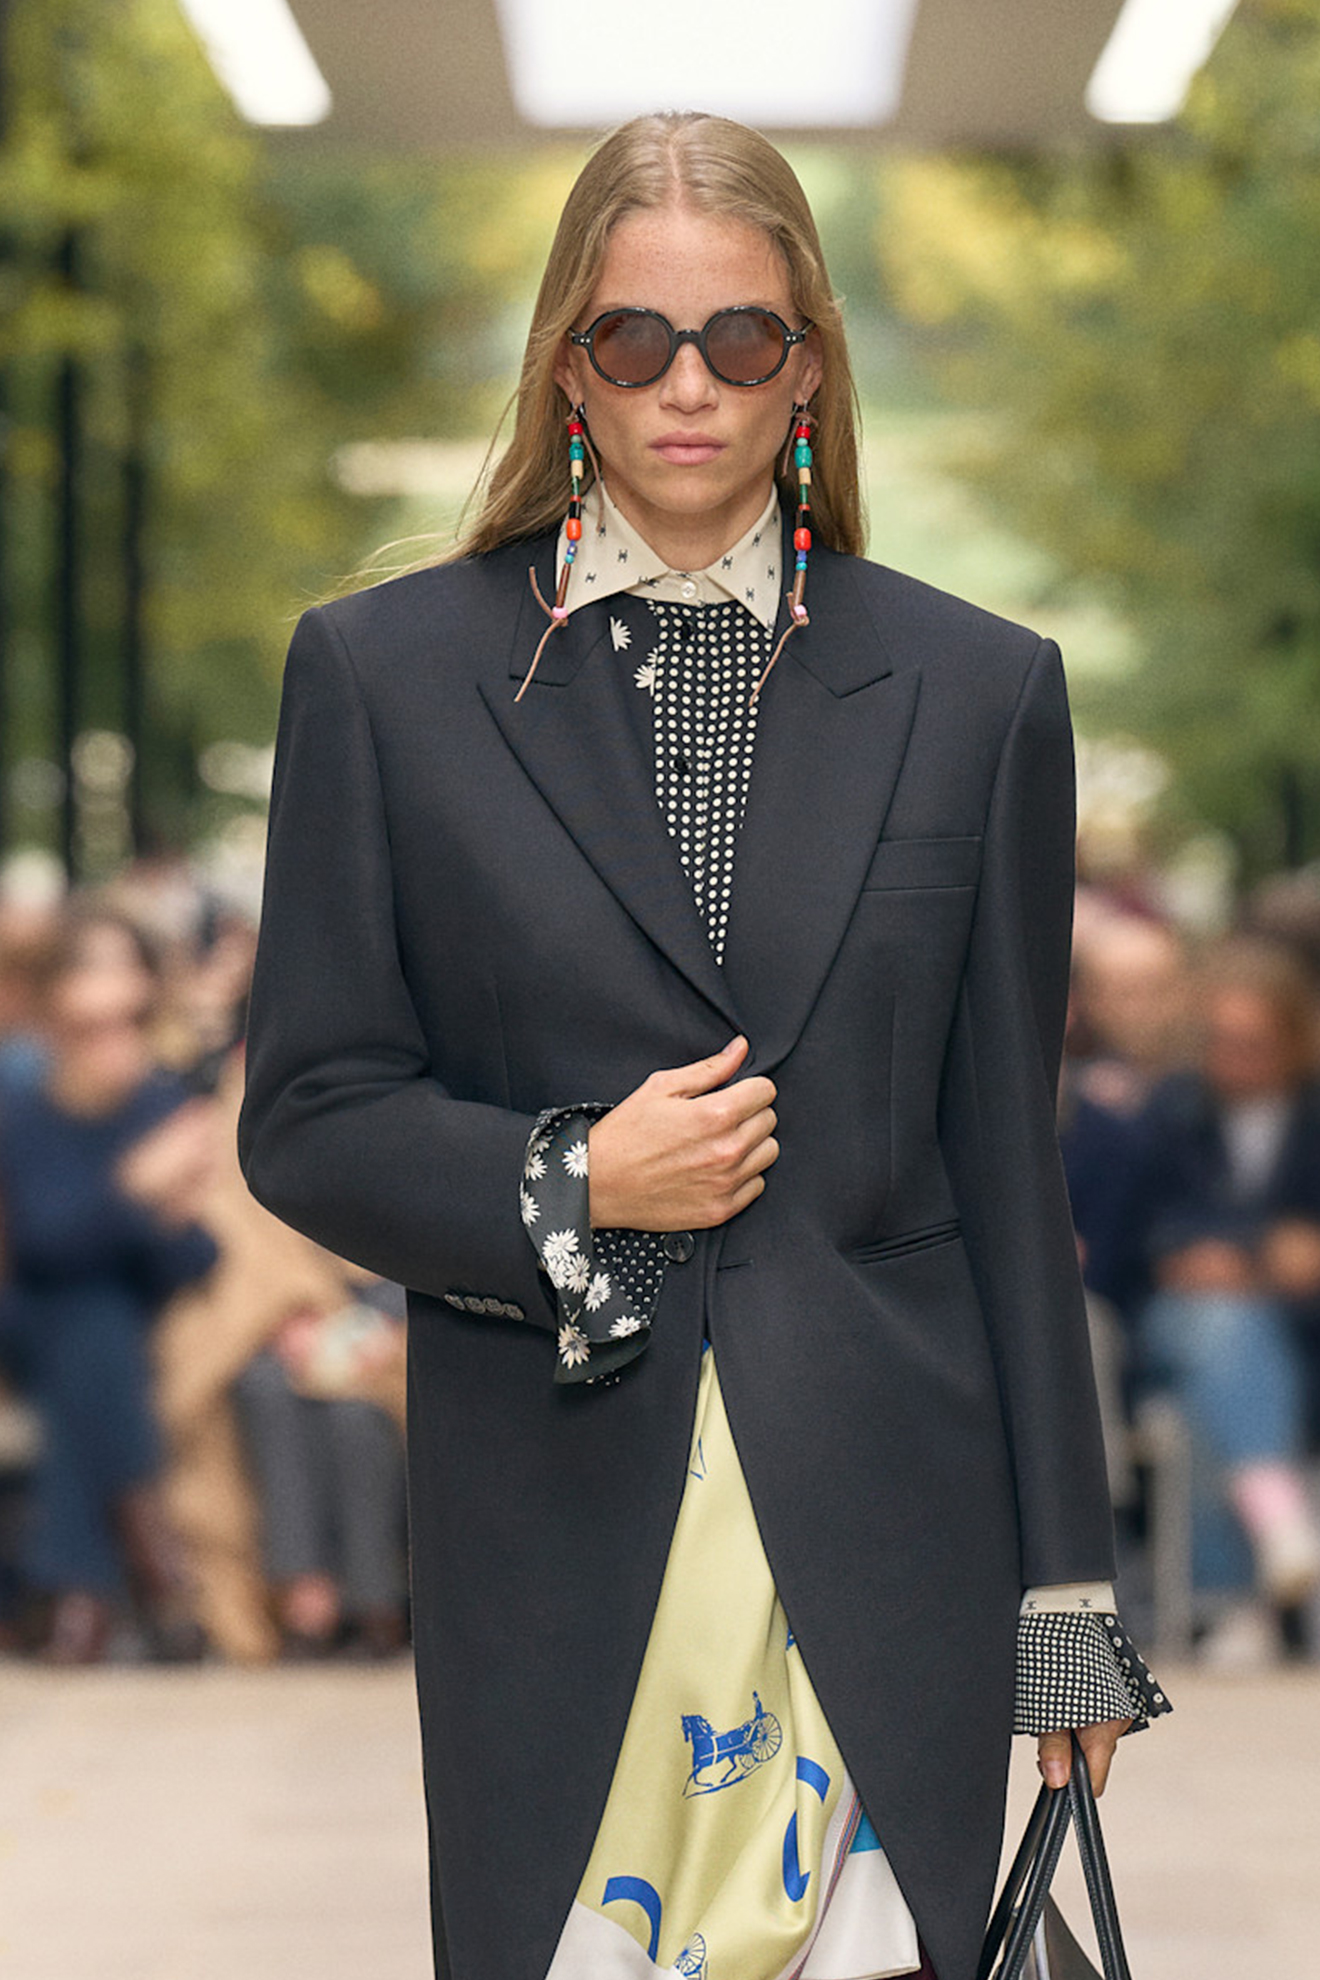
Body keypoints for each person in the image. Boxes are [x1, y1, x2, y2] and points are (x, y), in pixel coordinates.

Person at [239, 113, 1167, 1980]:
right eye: (631, 338)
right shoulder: (381, 676)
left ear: (807, 359)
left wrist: (1065, 1596)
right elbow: (314, 1114)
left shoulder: (983, 693)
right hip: (558, 1512)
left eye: (740, 338)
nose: (688, 385)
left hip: (891, 1524)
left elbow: (1008, 1160)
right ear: (563, 361)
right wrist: (570, 1178)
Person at [0, 901, 218, 1661]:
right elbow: (42, 1248)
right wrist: (137, 1188)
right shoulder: (23, 1101)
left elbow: (193, 1260)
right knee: (87, 1315)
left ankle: (80, 1594)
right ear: (56, 985)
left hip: (117, 1325)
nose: (112, 985)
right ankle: (155, 1565)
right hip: (27, 1314)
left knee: (95, 1330)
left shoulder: (163, 1102)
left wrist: (156, 1205)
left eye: (124, 964)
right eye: (91, 963)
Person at [1132, 936, 1320, 1655]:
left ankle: (1233, 1609)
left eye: (1252, 1044)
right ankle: (1275, 1518)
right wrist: (1259, 1256)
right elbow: (1146, 1229)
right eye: (1220, 1041)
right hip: (1176, 1320)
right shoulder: (1175, 1109)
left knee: (1212, 1400)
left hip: (1294, 1335)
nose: (1231, 1059)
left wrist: (1247, 1260)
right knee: (1218, 1328)